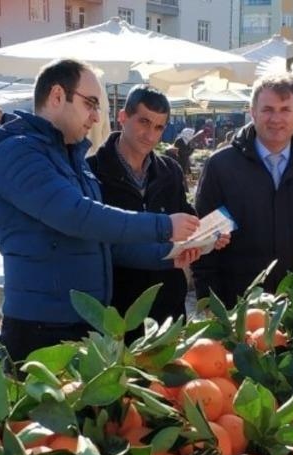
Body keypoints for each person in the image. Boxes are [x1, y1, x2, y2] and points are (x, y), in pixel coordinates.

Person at [0, 59, 199, 361]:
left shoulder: (71, 159)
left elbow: (104, 244)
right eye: (89, 104)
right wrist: (163, 226)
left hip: (84, 323)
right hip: (41, 328)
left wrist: (167, 256)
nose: (95, 116)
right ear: (57, 96)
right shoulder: (18, 152)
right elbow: (78, 216)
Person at [192, 74, 293, 304]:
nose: (276, 118)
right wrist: (208, 302)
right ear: (253, 112)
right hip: (239, 304)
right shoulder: (221, 167)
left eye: (285, 109)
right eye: (267, 109)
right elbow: (203, 241)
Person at [88, 85, 218, 323]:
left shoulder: (171, 171)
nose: (150, 135)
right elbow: (97, 244)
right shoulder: (91, 172)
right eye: (144, 122)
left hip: (168, 308)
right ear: (123, 117)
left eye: (158, 127)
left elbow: (188, 222)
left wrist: (209, 236)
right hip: (115, 312)